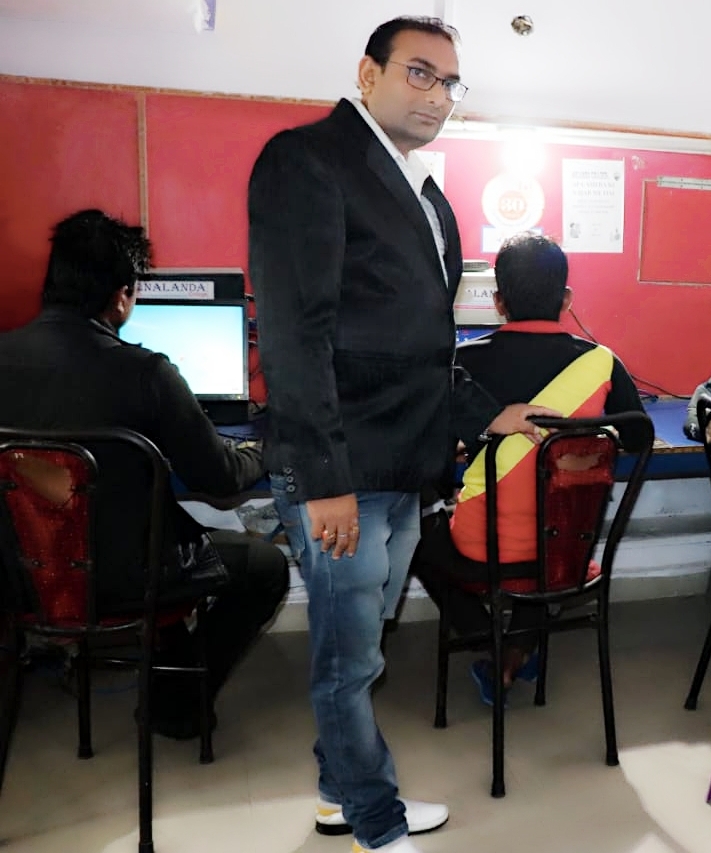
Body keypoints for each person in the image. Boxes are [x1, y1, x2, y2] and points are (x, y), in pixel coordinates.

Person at [248, 17, 553, 853]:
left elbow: (422, 346)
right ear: (368, 73)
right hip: (343, 468)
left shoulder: (424, 194)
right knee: (348, 661)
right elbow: (295, 336)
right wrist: (324, 480)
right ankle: (376, 825)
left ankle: (337, 794)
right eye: (420, 73)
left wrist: (485, 412)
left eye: (450, 83)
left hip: (401, 466)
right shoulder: (307, 161)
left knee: (361, 650)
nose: (438, 96)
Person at [0, 209, 288, 740]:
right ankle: (175, 705)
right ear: (122, 297)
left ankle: (167, 667)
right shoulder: (145, 372)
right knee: (264, 567)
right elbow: (221, 478)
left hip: (21, 576)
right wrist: (265, 450)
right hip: (127, 579)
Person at [410, 233, 648, 704]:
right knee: (554, 528)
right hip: (565, 551)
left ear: (498, 302)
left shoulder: (463, 361)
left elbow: (429, 451)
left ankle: (492, 646)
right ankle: (518, 646)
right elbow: (639, 437)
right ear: (566, 299)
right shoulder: (602, 363)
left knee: (412, 537)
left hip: (480, 546)